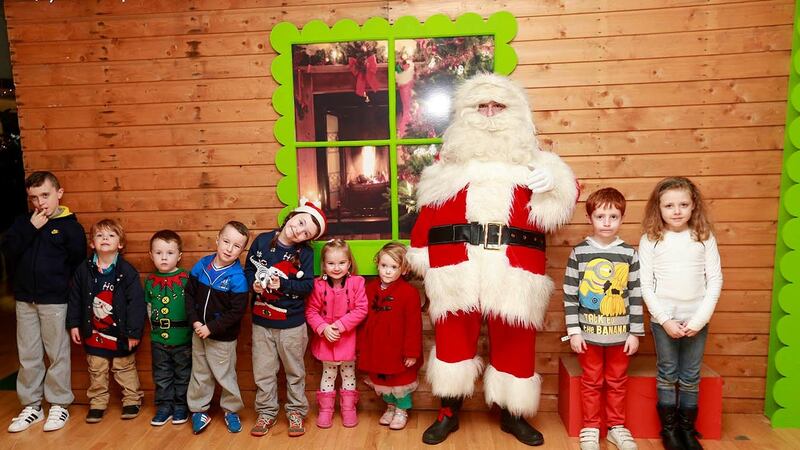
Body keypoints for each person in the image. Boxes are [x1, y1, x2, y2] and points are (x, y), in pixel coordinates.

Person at [408, 73, 578, 446]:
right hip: (457, 263)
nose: (488, 114)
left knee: (516, 339)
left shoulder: (536, 162)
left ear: (514, 111)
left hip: (514, 264)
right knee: (453, 339)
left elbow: (563, 199)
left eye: (497, 106)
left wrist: (553, 184)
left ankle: (513, 415)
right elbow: (428, 211)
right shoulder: (448, 164)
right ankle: (448, 412)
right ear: (465, 113)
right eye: (480, 106)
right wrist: (419, 250)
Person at [639, 177, 722, 450]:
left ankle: (687, 429)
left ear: (693, 205)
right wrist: (665, 320)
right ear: (658, 208)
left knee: (690, 376)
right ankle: (670, 431)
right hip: (665, 321)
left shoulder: (704, 237)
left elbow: (715, 281)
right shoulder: (651, 240)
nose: (677, 211)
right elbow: (646, 286)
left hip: (697, 320)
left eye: (683, 204)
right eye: (669, 205)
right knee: (668, 373)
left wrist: (699, 321)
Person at [3, 171, 86, 432]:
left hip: (55, 301)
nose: (40, 203)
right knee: (28, 354)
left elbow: (76, 264)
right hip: (25, 301)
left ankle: (59, 404)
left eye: (45, 195)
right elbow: (9, 251)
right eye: (34, 198)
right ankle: (32, 406)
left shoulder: (71, 227)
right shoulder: (22, 223)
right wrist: (31, 228)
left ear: (59, 194)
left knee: (57, 354)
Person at [563, 188, 643, 450]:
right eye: (600, 216)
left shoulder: (629, 254)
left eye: (613, 216)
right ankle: (590, 427)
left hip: (621, 334)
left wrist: (635, 332)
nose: (607, 222)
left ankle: (616, 427)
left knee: (617, 382)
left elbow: (635, 294)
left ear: (622, 218)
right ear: (590, 219)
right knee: (591, 381)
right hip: (588, 335)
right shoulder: (579, 253)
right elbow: (570, 295)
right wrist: (574, 331)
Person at [244, 202, 327, 437]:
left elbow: (308, 285)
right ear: (293, 215)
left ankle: (296, 412)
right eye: (300, 223)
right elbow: (249, 269)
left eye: (306, 233)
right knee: (263, 371)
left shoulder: (306, 254)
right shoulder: (261, 241)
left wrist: (284, 284)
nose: (299, 231)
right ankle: (266, 412)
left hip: (292, 325)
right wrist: (255, 285)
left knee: (294, 371)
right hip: (261, 323)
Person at [66, 219, 145, 423]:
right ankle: (98, 403)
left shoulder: (127, 272)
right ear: (92, 243)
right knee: (97, 369)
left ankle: (131, 400)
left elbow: (136, 304)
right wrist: (74, 324)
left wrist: (134, 333)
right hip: (94, 333)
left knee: (124, 367)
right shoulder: (84, 270)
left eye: (110, 236)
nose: (105, 239)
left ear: (120, 244)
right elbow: (75, 298)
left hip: (120, 334)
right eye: (100, 236)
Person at [185, 221, 250, 434]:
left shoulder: (238, 278)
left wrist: (211, 328)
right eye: (226, 241)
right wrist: (195, 322)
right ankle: (198, 410)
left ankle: (231, 410)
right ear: (217, 239)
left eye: (237, 246)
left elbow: (236, 312)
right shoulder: (201, 266)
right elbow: (189, 295)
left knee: (225, 375)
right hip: (198, 333)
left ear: (242, 250)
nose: (229, 249)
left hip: (222, 338)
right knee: (200, 373)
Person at [357, 242, 423, 431]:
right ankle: (390, 406)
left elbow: (414, 325)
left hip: (398, 347)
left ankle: (402, 410)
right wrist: (361, 345)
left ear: (403, 270)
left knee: (400, 381)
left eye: (393, 267)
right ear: (378, 264)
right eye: (384, 266)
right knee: (382, 380)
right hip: (376, 345)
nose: (387, 271)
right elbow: (363, 318)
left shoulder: (409, 293)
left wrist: (411, 352)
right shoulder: (370, 289)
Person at [305, 239, 368, 429]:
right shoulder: (318, 286)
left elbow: (361, 309)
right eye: (331, 263)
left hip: (347, 339)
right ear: (324, 265)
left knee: (349, 374)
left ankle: (349, 408)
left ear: (349, 263)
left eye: (341, 263)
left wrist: (339, 326)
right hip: (327, 340)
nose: (336, 268)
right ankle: (326, 410)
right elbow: (311, 311)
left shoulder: (357, 283)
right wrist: (323, 328)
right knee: (329, 374)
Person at [144, 230, 191, 426]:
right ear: (151, 255)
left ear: (179, 256)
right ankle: (164, 407)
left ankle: (181, 406)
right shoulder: (150, 281)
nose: (164, 257)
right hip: (158, 339)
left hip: (183, 339)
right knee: (161, 375)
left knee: (183, 374)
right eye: (159, 253)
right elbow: (148, 307)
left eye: (170, 253)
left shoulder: (186, 279)